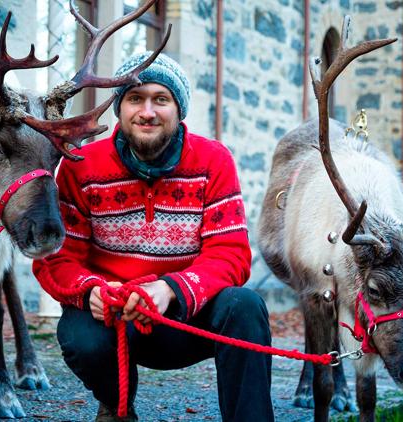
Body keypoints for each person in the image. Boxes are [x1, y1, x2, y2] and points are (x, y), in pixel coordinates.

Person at [33, 51, 274, 422]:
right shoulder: (81, 167)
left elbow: (231, 253)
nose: (147, 111)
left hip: (185, 316)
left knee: (245, 307)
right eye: (134, 98)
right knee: (82, 339)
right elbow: (57, 258)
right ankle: (117, 407)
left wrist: (170, 289)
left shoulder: (213, 162)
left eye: (160, 99)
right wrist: (93, 290)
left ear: (179, 110)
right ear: (120, 107)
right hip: (113, 318)